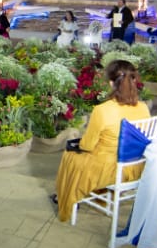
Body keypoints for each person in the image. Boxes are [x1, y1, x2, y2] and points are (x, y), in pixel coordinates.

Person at [52, 60, 151, 222]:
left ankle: (65, 197)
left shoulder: (103, 110)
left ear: (111, 83)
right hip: (135, 167)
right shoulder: (143, 107)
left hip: (108, 169)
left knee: (70, 156)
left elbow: (87, 145)